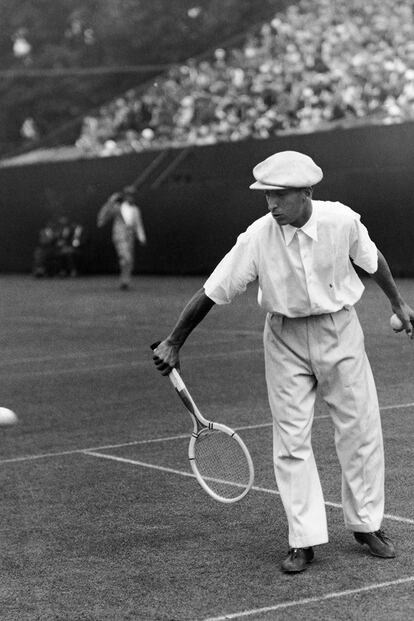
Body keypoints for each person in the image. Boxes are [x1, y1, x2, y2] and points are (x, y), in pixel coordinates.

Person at [152, 150, 414, 573]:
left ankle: (367, 525)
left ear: (306, 192)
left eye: (280, 195)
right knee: (291, 439)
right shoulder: (257, 236)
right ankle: (303, 539)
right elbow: (213, 290)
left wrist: (399, 303)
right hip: (284, 338)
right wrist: (174, 340)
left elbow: (372, 260)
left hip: (340, 331)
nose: (272, 205)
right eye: (267, 196)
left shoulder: (341, 221)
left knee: (361, 429)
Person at [97, 186, 147, 289]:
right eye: (128, 194)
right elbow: (103, 216)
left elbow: (138, 224)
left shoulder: (135, 209)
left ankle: (125, 281)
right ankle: (124, 280)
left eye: (132, 195)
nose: (131, 197)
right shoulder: (117, 207)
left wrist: (141, 237)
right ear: (125, 195)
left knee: (128, 261)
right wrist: (110, 201)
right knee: (126, 258)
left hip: (130, 237)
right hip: (120, 237)